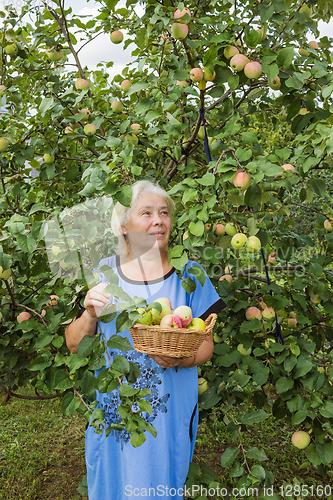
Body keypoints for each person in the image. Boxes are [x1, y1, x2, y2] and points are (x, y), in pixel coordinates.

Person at [65, 180, 226, 500]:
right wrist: (89, 315)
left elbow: (207, 344)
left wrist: (182, 357)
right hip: (115, 409)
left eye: (164, 213)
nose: (158, 220)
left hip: (166, 413)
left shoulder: (190, 275)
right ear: (123, 226)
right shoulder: (105, 273)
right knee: (112, 486)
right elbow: (74, 344)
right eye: (147, 213)